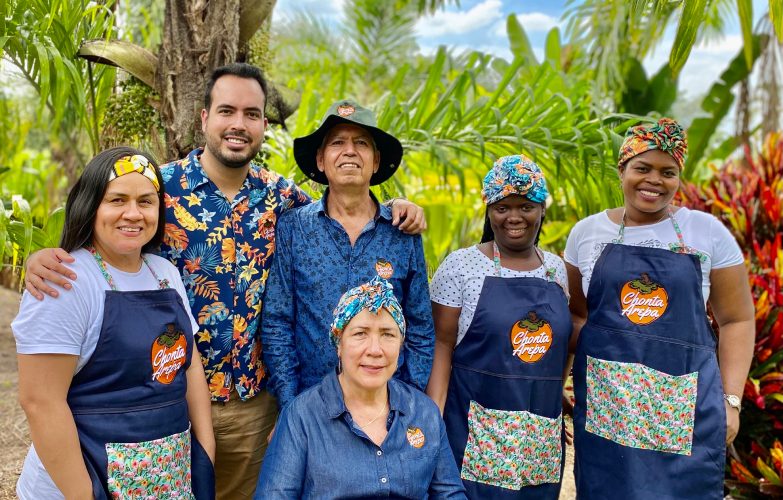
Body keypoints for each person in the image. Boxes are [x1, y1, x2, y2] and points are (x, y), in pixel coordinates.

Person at [23, 65, 425, 499]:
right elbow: (105, 221)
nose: (238, 124)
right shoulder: (160, 188)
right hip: (168, 405)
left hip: (254, 408)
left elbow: (345, 203)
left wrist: (398, 207)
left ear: (264, 126)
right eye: (226, 110)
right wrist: (41, 257)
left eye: (251, 114)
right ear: (203, 118)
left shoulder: (282, 197)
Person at [564, 118, 755, 499]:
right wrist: (557, 383)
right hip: (609, 412)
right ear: (622, 170)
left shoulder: (707, 232)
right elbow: (578, 316)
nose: (654, 180)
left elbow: (737, 319)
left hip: (684, 416)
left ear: (679, 177)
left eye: (668, 172)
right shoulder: (586, 234)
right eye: (642, 168)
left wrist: (731, 401)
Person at [13, 147, 215, 499]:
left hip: (165, 480)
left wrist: (205, 453)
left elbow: (190, 366)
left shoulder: (164, 273)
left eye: (146, 201)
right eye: (117, 200)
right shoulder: (64, 281)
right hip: (80, 484)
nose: (133, 214)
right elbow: (40, 402)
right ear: (91, 205)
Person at [261, 99, 434, 412]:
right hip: (311, 407)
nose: (350, 151)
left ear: (376, 160)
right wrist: (291, 405)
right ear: (321, 160)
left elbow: (420, 328)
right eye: (337, 143)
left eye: (361, 143)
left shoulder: (402, 232)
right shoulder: (294, 228)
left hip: (385, 409)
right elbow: (278, 323)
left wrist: (405, 402)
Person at [426, 154, 571, 499]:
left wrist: (557, 394)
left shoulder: (557, 270)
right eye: (502, 207)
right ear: (489, 210)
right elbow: (441, 347)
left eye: (526, 206)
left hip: (539, 440)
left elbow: (562, 345)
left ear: (541, 209)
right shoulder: (461, 267)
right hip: (473, 432)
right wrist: (432, 421)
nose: (514, 217)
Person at [255, 277, 466, 498]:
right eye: (360, 334)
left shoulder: (424, 413)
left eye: (387, 334)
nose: (375, 350)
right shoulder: (301, 417)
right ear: (339, 343)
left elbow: (449, 494)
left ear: (401, 344)